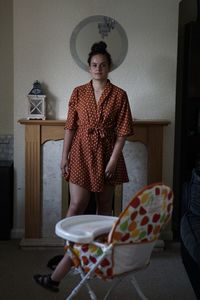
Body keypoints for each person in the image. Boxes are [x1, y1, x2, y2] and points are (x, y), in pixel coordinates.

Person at [33, 41, 134, 292]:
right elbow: (70, 126)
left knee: (104, 206)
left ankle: (97, 257)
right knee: (76, 204)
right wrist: (64, 155)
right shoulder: (78, 92)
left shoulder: (120, 95)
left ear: (109, 67)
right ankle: (69, 253)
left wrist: (112, 159)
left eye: (102, 65)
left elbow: (122, 133)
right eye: (94, 65)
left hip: (108, 153)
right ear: (89, 68)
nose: (98, 68)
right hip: (80, 152)